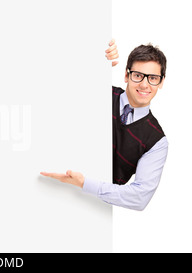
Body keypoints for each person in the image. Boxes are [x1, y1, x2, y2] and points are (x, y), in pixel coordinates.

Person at [41, 40, 168, 211]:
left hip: (94, 211)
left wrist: (84, 183)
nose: (144, 84)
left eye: (153, 78)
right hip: (46, 185)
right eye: (138, 75)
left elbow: (139, 198)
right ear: (126, 75)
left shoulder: (157, 141)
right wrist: (95, 60)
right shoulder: (100, 93)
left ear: (161, 82)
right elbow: (56, 81)